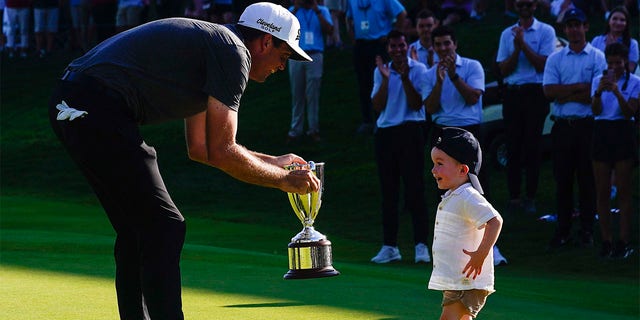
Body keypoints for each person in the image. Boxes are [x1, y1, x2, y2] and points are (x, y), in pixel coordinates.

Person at [48, 3, 320, 319]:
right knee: (164, 224)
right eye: (284, 56)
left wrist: (273, 161)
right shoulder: (233, 52)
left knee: (139, 228)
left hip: (74, 100)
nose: (282, 66)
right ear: (264, 42)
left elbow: (202, 148)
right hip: (91, 104)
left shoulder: (215, 47)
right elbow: (222, 151)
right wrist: (284, 180)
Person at [422, 25, 507, 267]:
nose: (442, 49)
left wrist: (453, 76)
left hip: (470, 132)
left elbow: (472, 97)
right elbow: (429, 108)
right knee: (444, 192)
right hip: (442, 131)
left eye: (446, 43)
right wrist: (439, 81)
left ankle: (490, 247)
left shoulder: (472, 66)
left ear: (455, 44)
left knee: (478, 188)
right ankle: (449, 248)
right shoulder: (430, 73)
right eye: (438, 45)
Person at [543, 8, 607, 250]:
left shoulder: (597, 56)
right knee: (563, 179)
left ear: (586, 27)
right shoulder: (555, 58)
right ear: (565, 29)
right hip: (562, 126)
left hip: (587, 126)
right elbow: (549, 92)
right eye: (569, 25)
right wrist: (580, 88)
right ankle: (563, 230)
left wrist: (566, 91)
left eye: (577, 25)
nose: (573, 29)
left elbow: (595, 94)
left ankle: (587, 229)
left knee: (587, 179)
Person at [428, 127, 503, 320]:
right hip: (458, 279)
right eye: (433, 164)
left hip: (466, 281)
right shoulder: (454, 196)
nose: (433, 170)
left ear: (463, 170)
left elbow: (495, 221)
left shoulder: (467, 196)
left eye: (439, 164)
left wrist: (481, 254)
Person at [369, 30, 430, 264]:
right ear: (388, 49)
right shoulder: (380, 70)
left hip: (411, 130)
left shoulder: (419, 69)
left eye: (401, 46)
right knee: (389, 191)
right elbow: (377, 105)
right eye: (393, 47)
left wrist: (404, 78)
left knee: (415, 189)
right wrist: (385, 79)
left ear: (407, 46)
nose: (398, 50)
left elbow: (416, 104)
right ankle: (390, 246)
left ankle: (421, 246)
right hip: (386, 133)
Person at [496, 0, 557, 214]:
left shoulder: (546, 31)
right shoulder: (507, 34)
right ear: (515, 6)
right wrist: (516, 49)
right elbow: (503, 69)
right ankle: (514, 197)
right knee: (513, 146)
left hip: (535, 93)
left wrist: (524, 45)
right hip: (513, 93)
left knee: (533, 145)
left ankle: (530, 196)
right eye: (520, 3)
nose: (524, 6)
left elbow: (544, 64)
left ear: (534, 6)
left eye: (528, 3)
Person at [590, 42, 639, 258]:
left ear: (625, 62)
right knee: (601, 191)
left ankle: (624, 240)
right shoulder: (597, 81)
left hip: (623, 131)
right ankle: (607, 240)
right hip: (602, 132)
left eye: (618, 62)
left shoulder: (635, 82)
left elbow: (630, 112)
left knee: (624, 190)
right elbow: (595, 110)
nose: (614, 66)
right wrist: (599, 91)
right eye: (610, 63)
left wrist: (618, 92)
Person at [345, 0, 406, 135]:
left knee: (380, 82)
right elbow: (348, 18)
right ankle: (367, 120)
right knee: (363, 83)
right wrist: (353, 37)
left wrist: (394, 36)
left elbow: (401, 13)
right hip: (361, 45)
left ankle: (382, 118)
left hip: (379, 44)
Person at [286, 0, 333, 144]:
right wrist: (296, 8)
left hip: (315, 55)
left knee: (313, 94)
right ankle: (295, 130)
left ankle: (314, 129)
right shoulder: (293, 10)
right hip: (296, 55)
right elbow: (283, 28)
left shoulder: (322, 10)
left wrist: (317, 10)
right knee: (297, 94)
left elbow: (330, 30)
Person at [591, 6, 639, 73]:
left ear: (626, 23)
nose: (618, 22)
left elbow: (631, 69)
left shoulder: (633, 44)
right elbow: (591, 65)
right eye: (615, 19)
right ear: (609, 21)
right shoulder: (597, 41)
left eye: (622, 20)